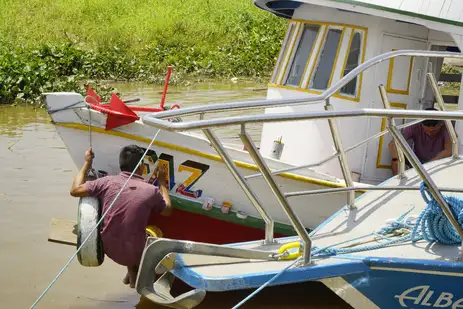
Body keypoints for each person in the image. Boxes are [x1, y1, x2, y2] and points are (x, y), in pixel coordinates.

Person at [70, 145, 172, 288]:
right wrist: (162, 183)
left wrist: (87, 163)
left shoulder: (106, 182)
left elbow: (74, 190)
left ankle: (131, 275)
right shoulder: (151, 190)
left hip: (109, 248)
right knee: (154, 232)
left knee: (126, 224)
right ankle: (138, 278)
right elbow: (167, 210)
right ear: (142, 166)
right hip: (134, 252)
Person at [388, 108, 453, 175]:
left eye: (433, 131)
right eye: (426, 131)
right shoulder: (415, 126)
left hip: (438, 163)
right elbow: (393, 144)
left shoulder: (447, 129)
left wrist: (428, 166)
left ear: (441, 124)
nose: (429, 134)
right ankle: (399, 182)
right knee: (396, 161)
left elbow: (448, 151)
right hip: (417, 162)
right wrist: (397, 159)